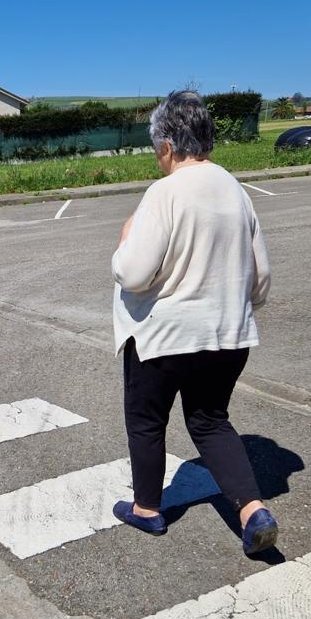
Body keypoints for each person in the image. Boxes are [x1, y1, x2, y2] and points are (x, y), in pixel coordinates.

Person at [110, 90, 278, 554]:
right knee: (210, 421)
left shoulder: (164, 192)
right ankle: (252, 511)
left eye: (155, 151)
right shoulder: (234, 189)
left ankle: (147, 510)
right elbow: (260, 276)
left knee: (146, 421)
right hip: (227, 335)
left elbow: (133, 272)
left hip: (163, 339)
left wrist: (124, 238)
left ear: (166, 146)